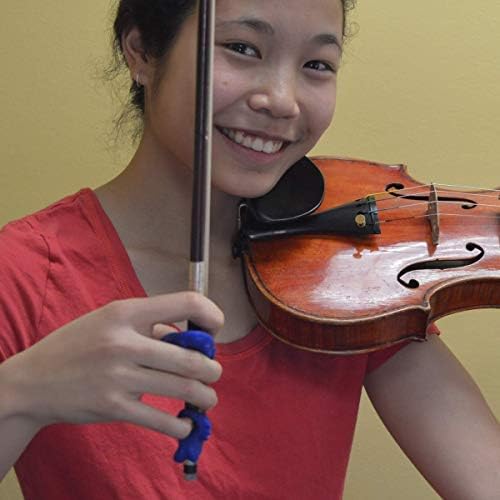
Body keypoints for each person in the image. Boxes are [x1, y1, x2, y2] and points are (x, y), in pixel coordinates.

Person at [0, 1, 499, 499]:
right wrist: (20, 391)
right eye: (242, 48)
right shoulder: (25, 271)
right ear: (142, 51)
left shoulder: (346, 269)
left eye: (316, 64)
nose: (282, 101)